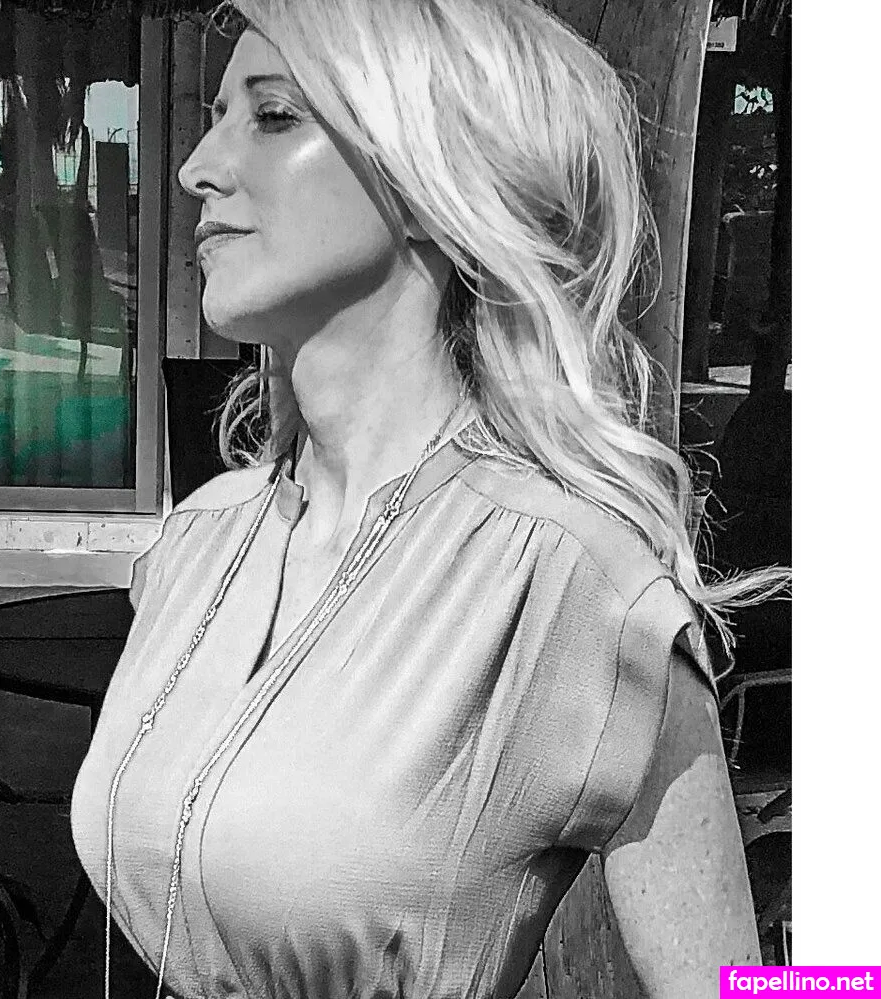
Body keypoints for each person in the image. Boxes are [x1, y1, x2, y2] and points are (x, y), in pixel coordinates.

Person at [71, 2, 787, 996]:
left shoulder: (572, 582)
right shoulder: (196, 543)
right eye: (215, 115)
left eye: (274, 116)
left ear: (423, 176)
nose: (197, 166)